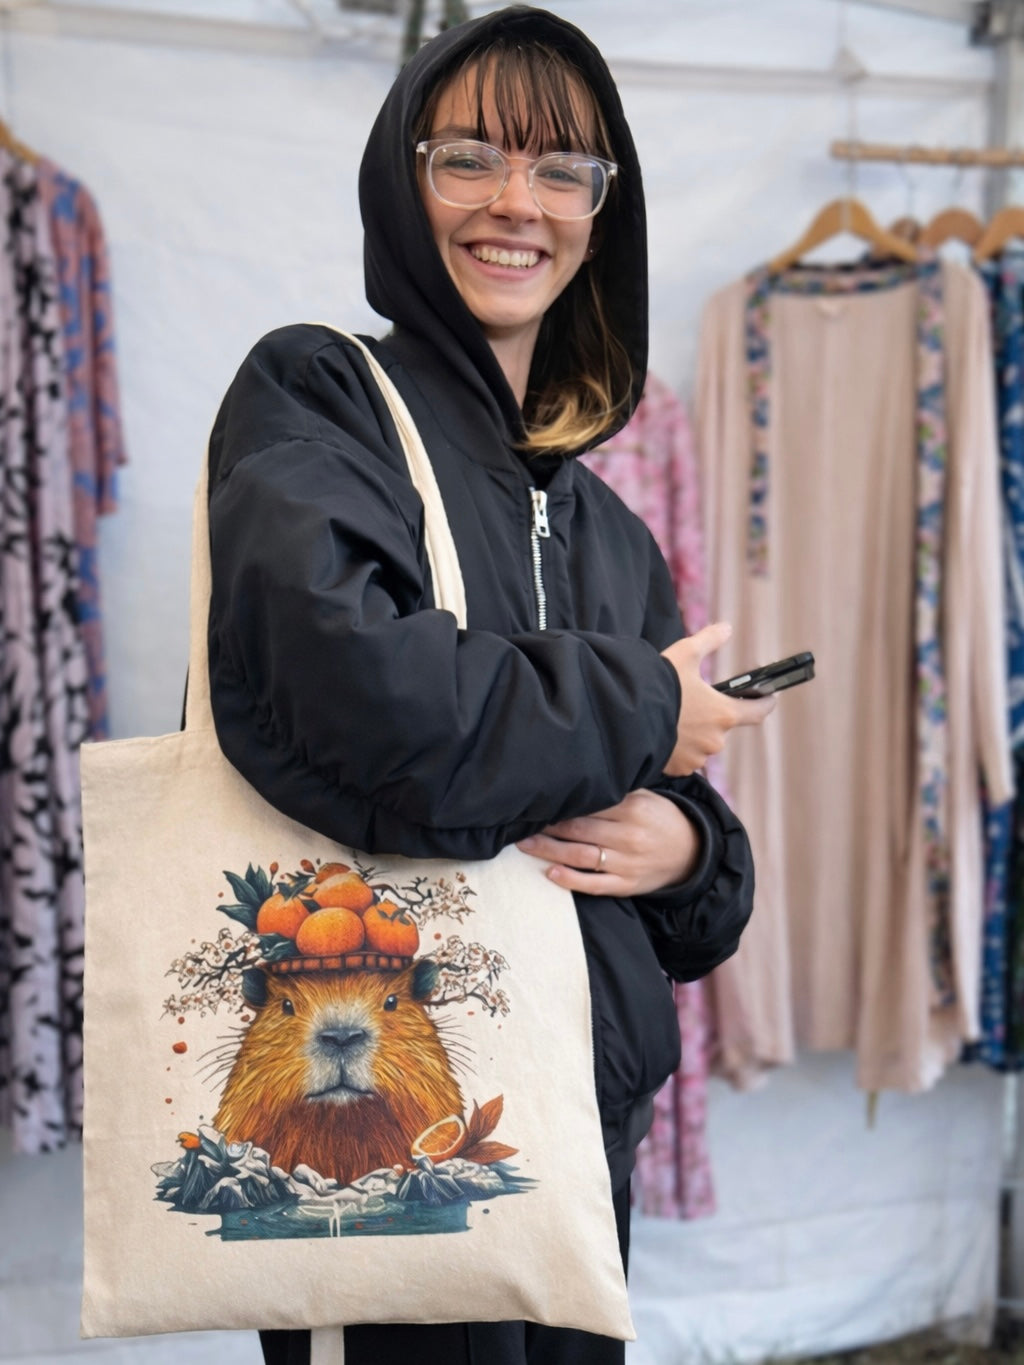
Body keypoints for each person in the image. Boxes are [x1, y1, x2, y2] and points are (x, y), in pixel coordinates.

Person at [205, 5, 773, 1363]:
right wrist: (637, 704)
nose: (517, 203)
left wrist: (683, 840)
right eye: (468, 158)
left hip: (583, 1143)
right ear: (403, 182)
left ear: (601, 211)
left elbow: (703, 901)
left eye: (562, 169)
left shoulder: (611, 532)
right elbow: (370, 709)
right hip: (384, 1153)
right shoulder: (317, 402)